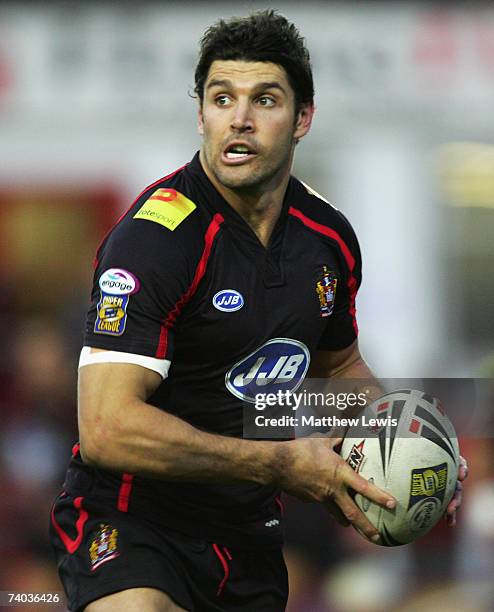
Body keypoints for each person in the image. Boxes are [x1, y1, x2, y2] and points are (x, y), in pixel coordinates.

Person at [49, 10, 467, 612]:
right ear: (201, 115)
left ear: (303, 118)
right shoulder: (154, 240)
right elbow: (107, 428)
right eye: (222, 98)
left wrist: (417, 447)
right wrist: (279, 463)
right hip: (132, 520)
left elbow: (340, 369)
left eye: (264, 99)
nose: (239, 119)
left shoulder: (327, 239)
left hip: (247, 533)